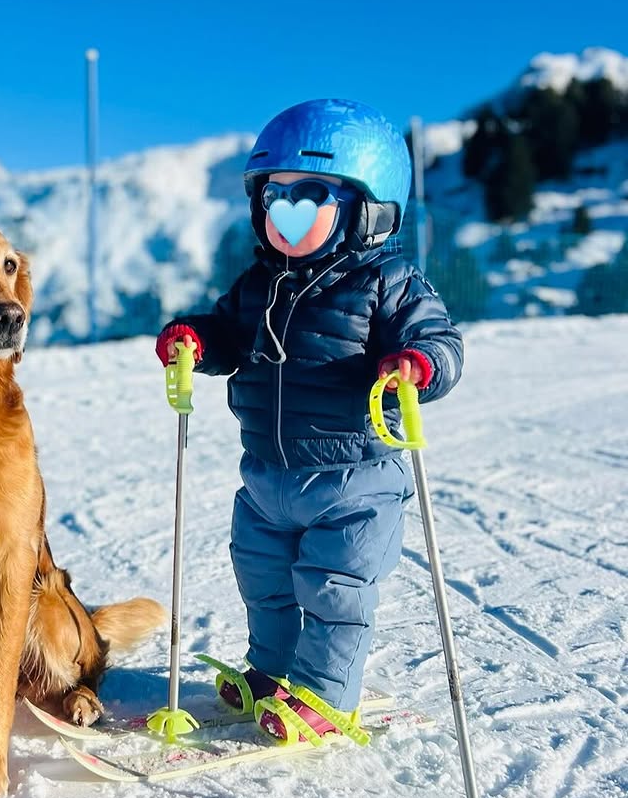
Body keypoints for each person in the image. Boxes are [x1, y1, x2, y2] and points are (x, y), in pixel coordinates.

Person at [156, 99, 463, 748]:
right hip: (266, 473)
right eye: (274, 197)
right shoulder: (256, 286)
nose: (283, 213)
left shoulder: (390, 283)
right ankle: (272, 672)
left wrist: (418, 364)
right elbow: (227, 337)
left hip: (354, 480)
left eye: (310, 196)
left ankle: (324, 694)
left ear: (367, 208)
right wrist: (196, 341)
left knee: (334, 590)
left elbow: (440, 341)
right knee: (261, 578)